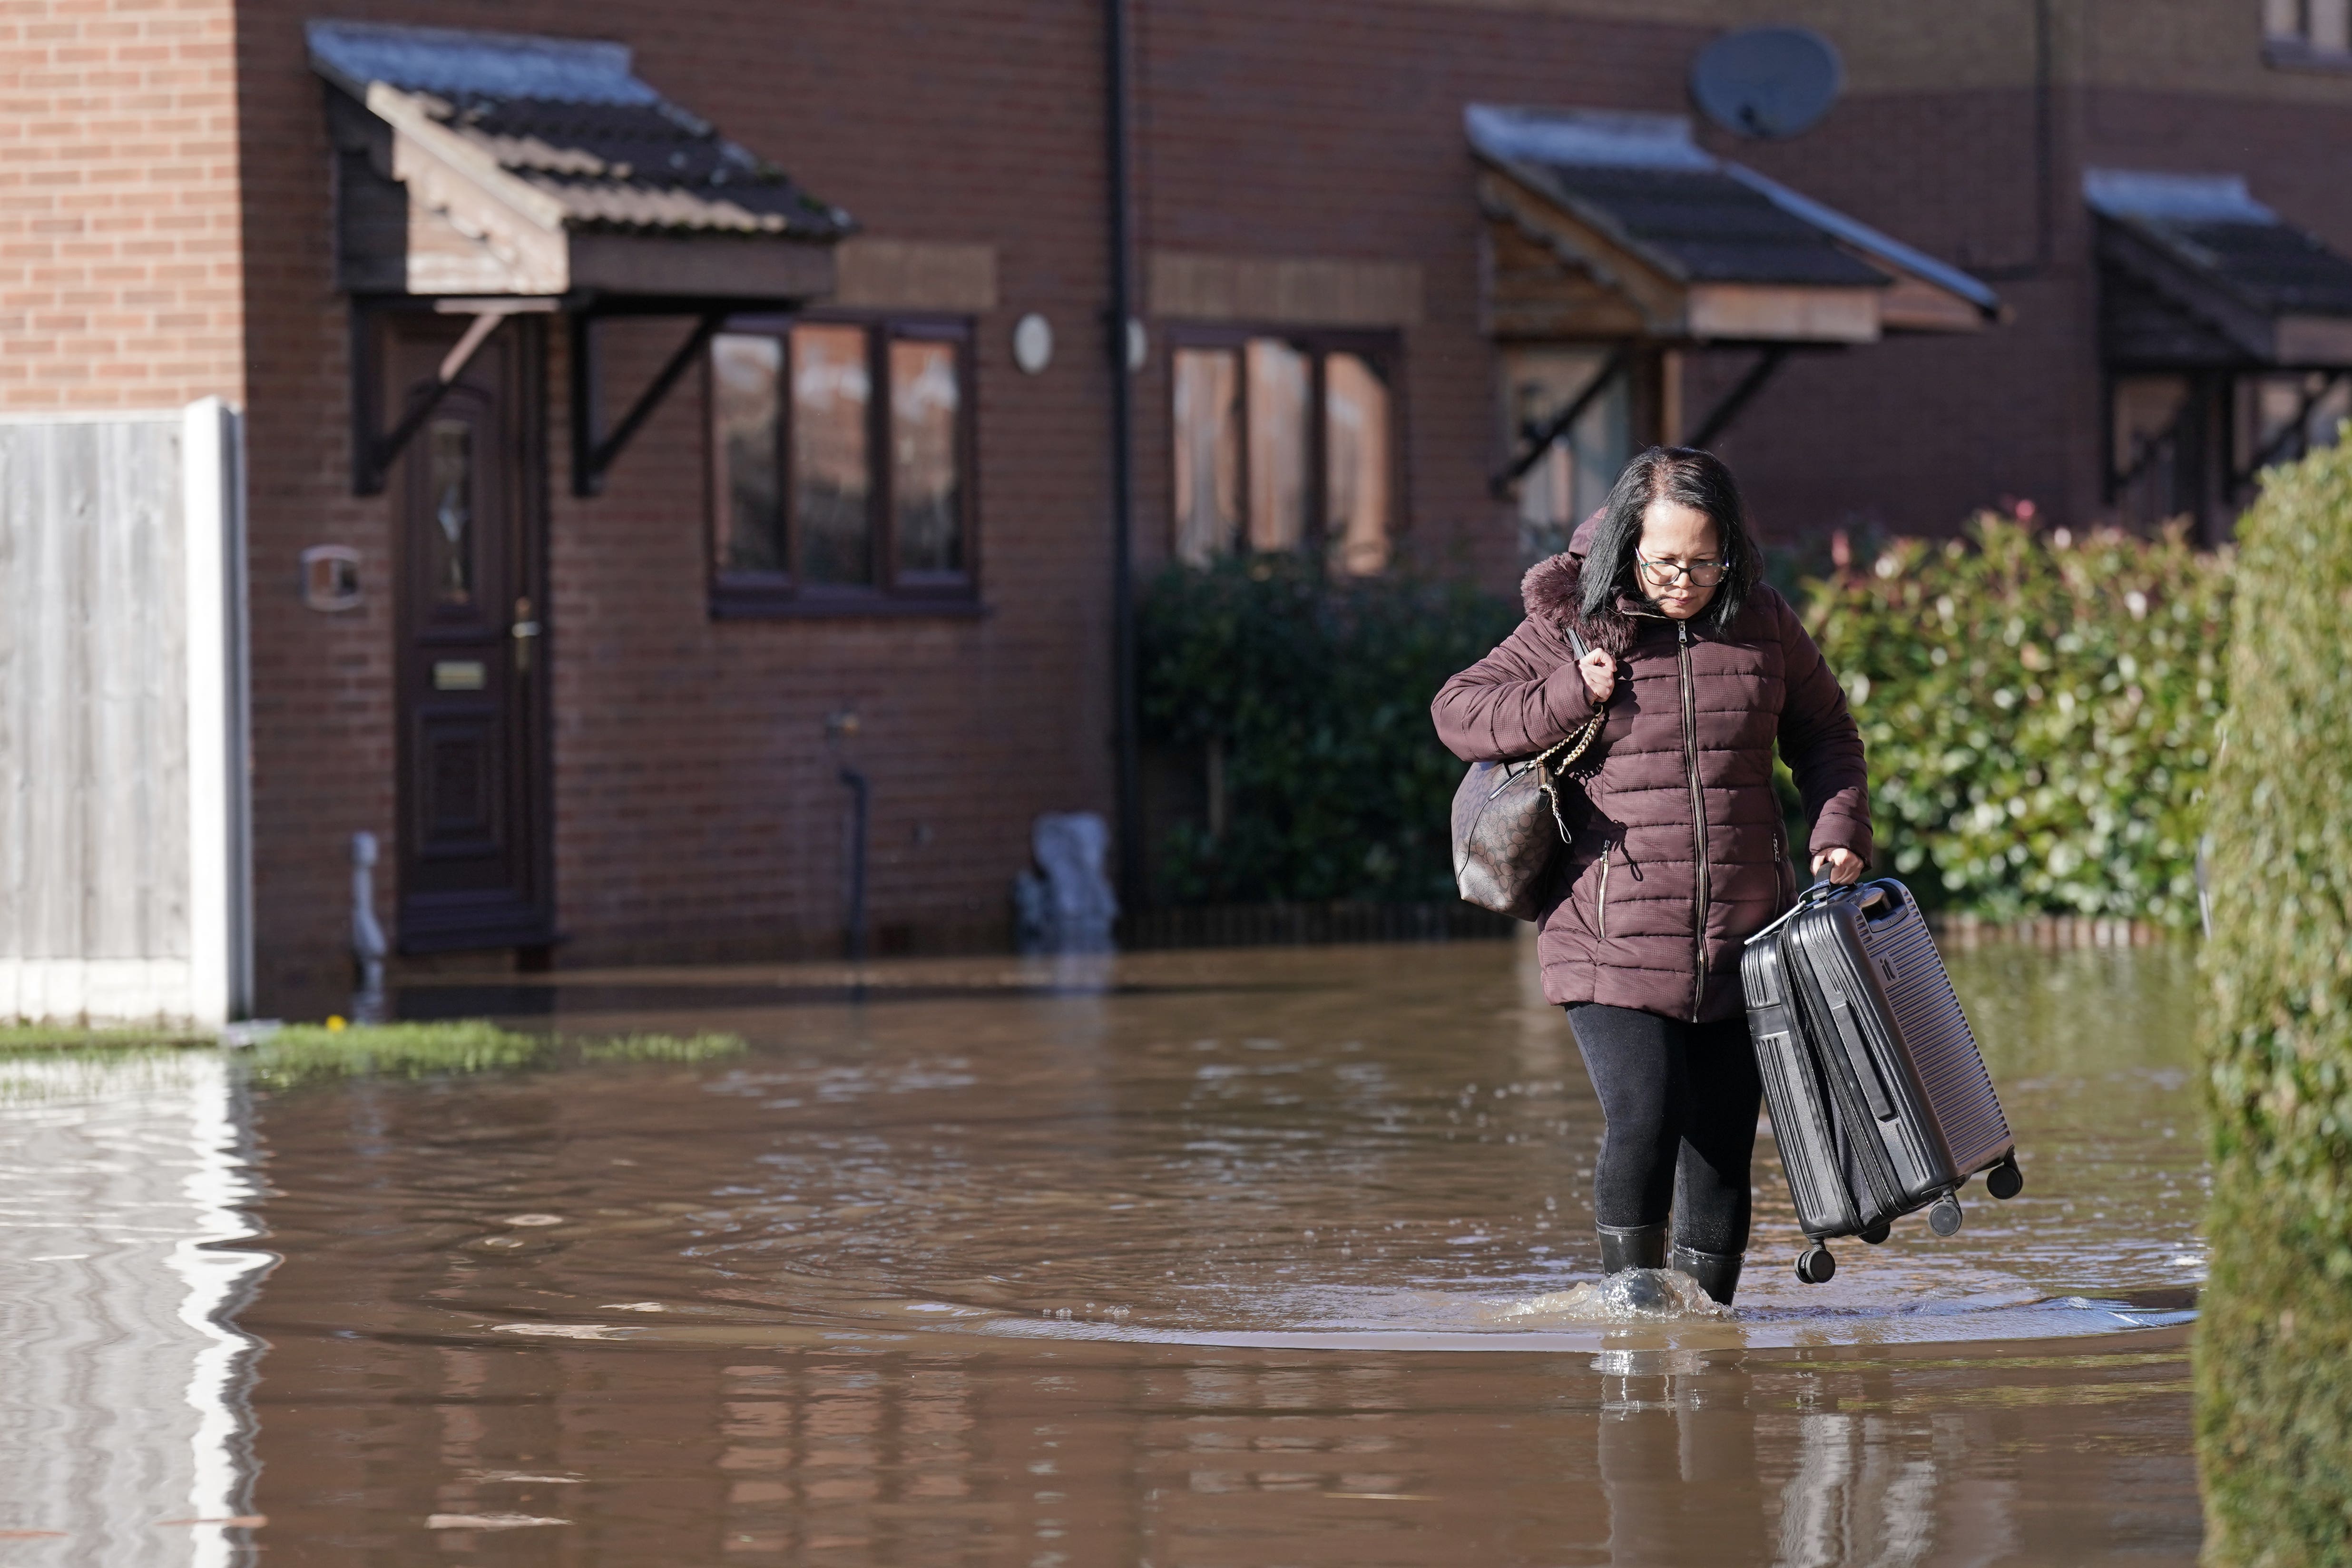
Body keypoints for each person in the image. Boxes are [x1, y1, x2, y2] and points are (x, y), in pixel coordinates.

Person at [1431, 447, 1869, 1305]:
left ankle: (1709, 1343)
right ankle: (1632, 1330)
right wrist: (1569, 693)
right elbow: (1459, 710)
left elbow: (1826, 735)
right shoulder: (1577, 624)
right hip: (1608, 932)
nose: (1687, 579)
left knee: (1720, 1142)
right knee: (1646, 1116)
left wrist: (1839, 827)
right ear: (1629, 545)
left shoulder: (1765, 623)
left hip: (1749, 940)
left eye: (1708, 561)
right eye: (1668, 561)